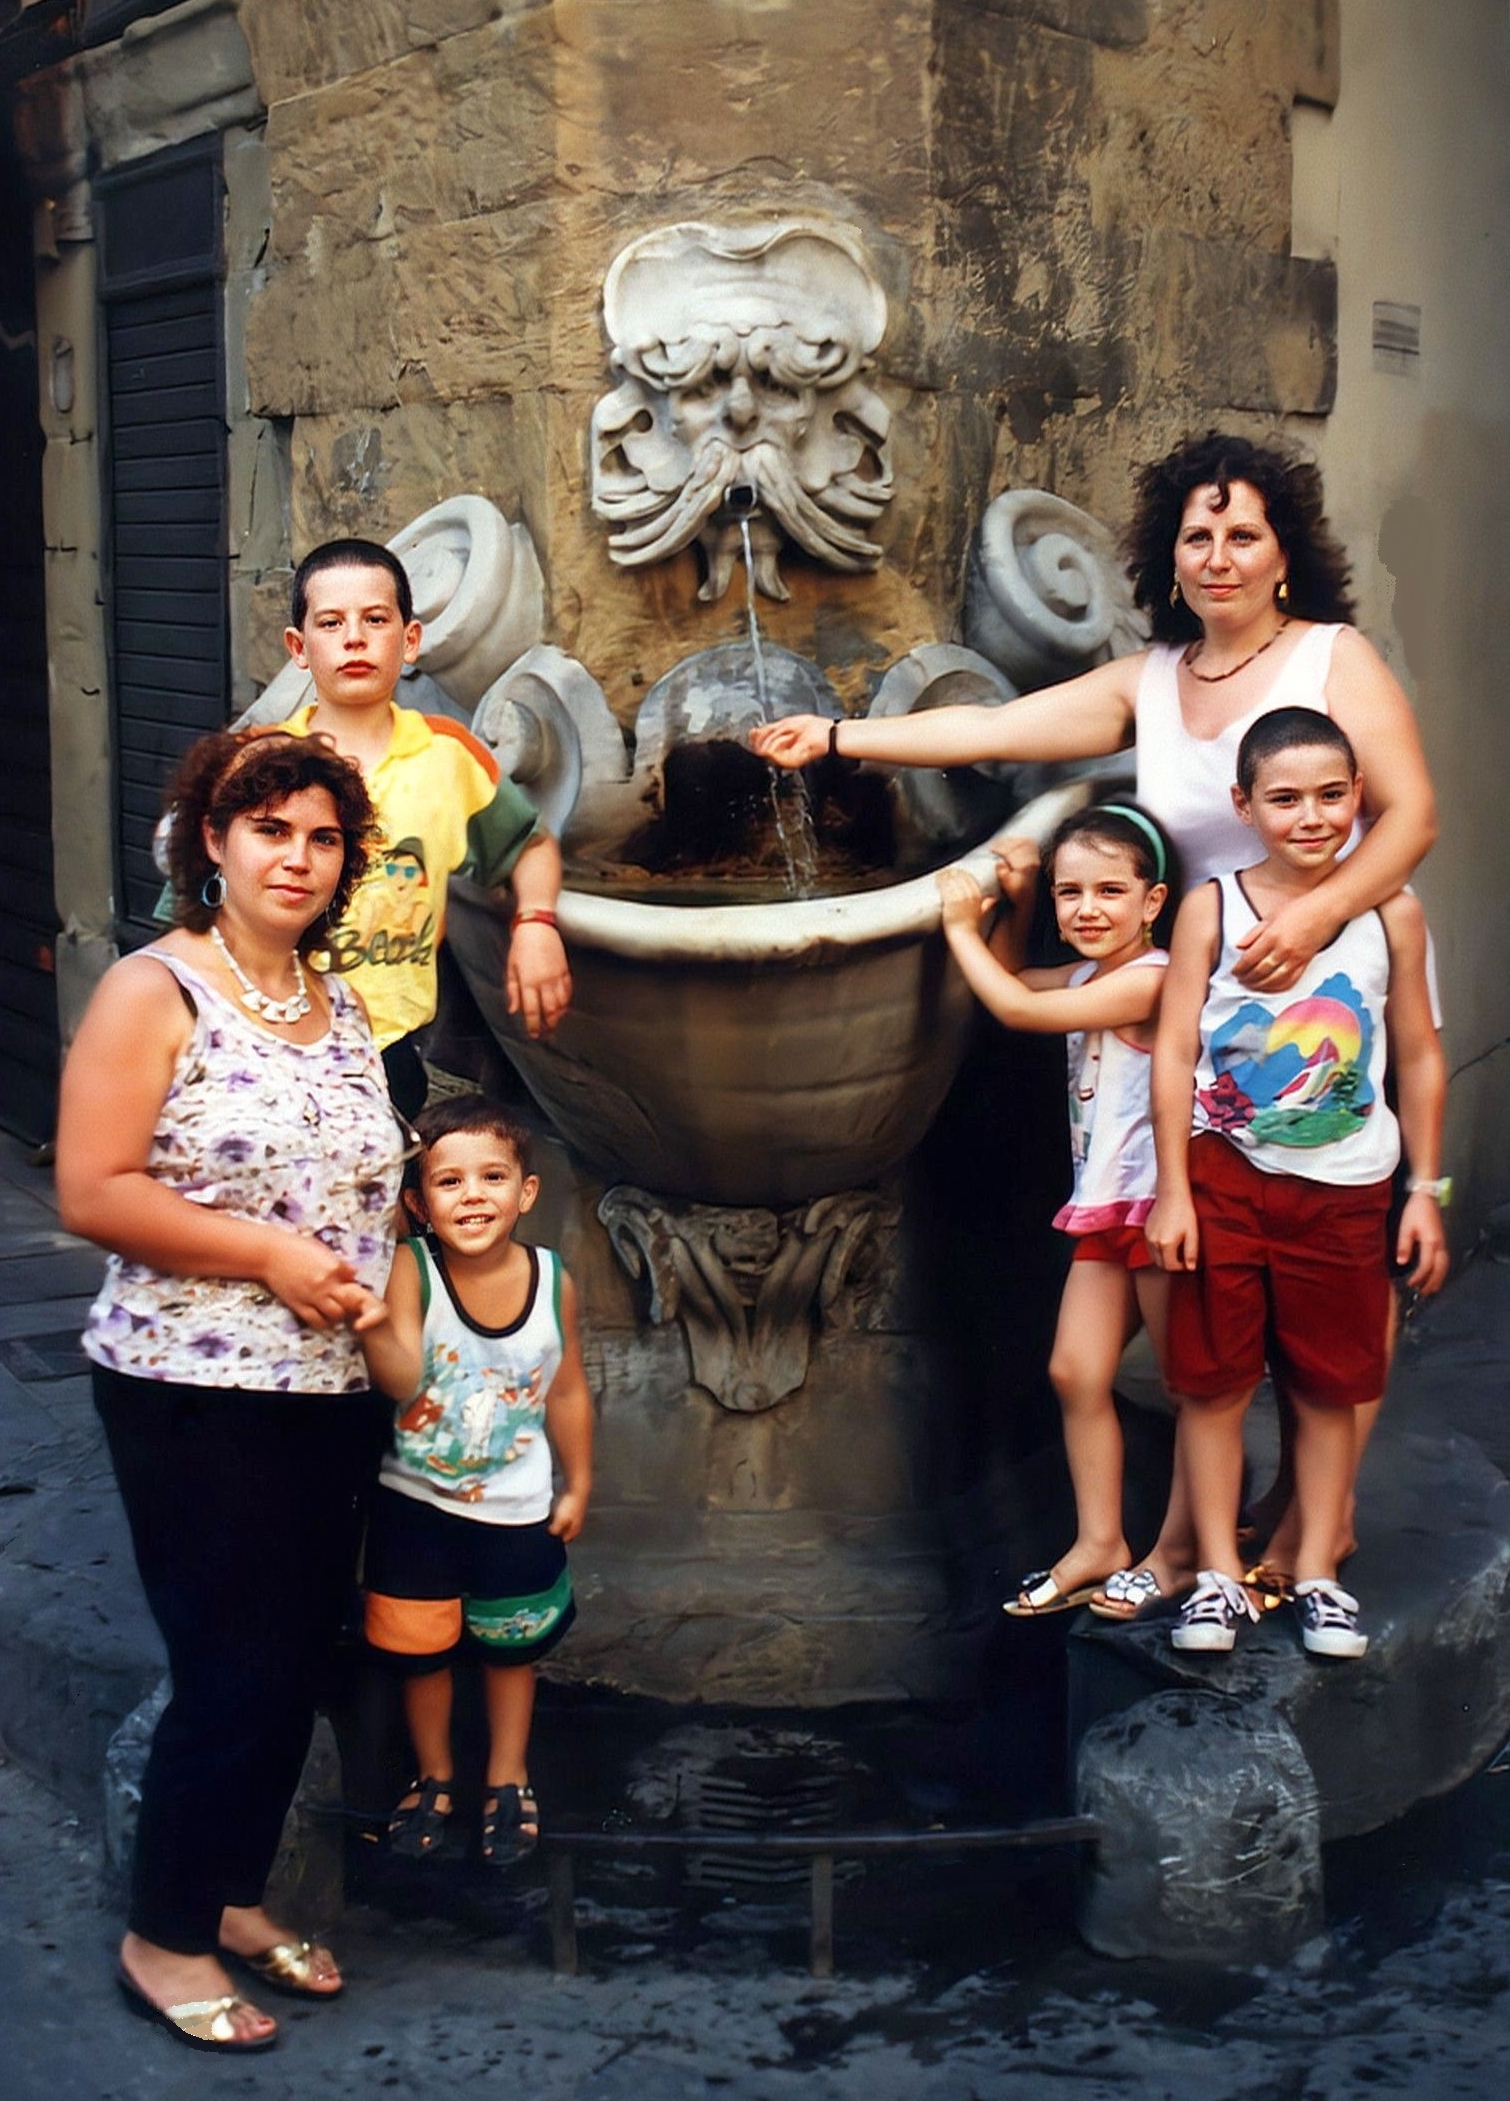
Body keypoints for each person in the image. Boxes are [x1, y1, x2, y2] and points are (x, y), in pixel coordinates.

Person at [753, 430, 1438, 1599]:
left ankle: (1311, 1528)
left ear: (1285, 556)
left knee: (1338, 1266)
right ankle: (1207, 1537)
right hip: (1200, 1016)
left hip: (1331, 986)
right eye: (1197, 536)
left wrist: (1318, 918)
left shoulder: (1335, 659)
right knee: (1225, 1283)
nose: (1218, 557)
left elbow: (1411, 815)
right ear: (1168, 558)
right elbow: (995, 728)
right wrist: (838, 739)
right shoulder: (1151, 680)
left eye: (1242, 535)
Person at [55, 730, 405, 2052]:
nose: (297, 859)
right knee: (229, 1669)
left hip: (326, 1384)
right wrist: (266, 1251)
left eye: (321, 838)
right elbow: (95, 1189)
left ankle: (234, 1895)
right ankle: (164, 1931)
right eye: (270, 831)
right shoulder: (156, 990)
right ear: (214, 840)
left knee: (297, 1658)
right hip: (187, 1386)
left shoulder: (341, 1005)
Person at [1145, 709, 1448, 1658]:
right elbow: (1173, 1052)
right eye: (1284, 798)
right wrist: (1173, 1190)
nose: (1311, 816)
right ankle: (1219, 1584)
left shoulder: (1389, 909)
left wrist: (1426, 1192)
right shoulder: (1212, 906)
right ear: (1244, 805)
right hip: (1223, 1177)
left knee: (1327, 1385)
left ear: (1359, 795)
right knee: (1213, 1380)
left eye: (1331, 794)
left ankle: (1315, 1569)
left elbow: (1421, 1056)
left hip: (1349, 1189)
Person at [937, 804, 1182, 1618]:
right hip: (1106, 1209)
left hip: (1155, 1207)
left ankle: (1186, 1552)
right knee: (1075, 1371)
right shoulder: (1089, 976)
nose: (1086, 909)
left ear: (1153, 902)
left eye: (1111, 890)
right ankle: (1099, 1541)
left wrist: (958, 927)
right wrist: (1014, 898)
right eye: (1070, 892)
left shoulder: (1152, 979)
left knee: (1194, 1386)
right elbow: (1015, 983)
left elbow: (1013, 1008)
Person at [354, 1095, 594, 1868]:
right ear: (419, 1203)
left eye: (492, 1176)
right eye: (449, 1182)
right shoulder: (408, 1269)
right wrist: (367, 1319)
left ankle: (508, 1773)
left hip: (516, 1509)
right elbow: (398, 1378)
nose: (473, 1195)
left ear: (526, 1191)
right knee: (420, 1653)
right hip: (416, 1506)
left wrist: (578, 1481)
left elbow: (566, 1388)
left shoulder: (554, 1280)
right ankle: (435, 1773)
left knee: (510, 1649)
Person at [279, 537, 573, 1117]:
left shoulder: (449, 757)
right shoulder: (258, 765)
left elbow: (530, 845)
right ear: (299, 647)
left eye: (376, 619)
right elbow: (192, 917)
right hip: (272, 1050)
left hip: (389, 1051)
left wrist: (536, 924)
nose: (355, 638)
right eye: (331, 622)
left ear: (409, 640)